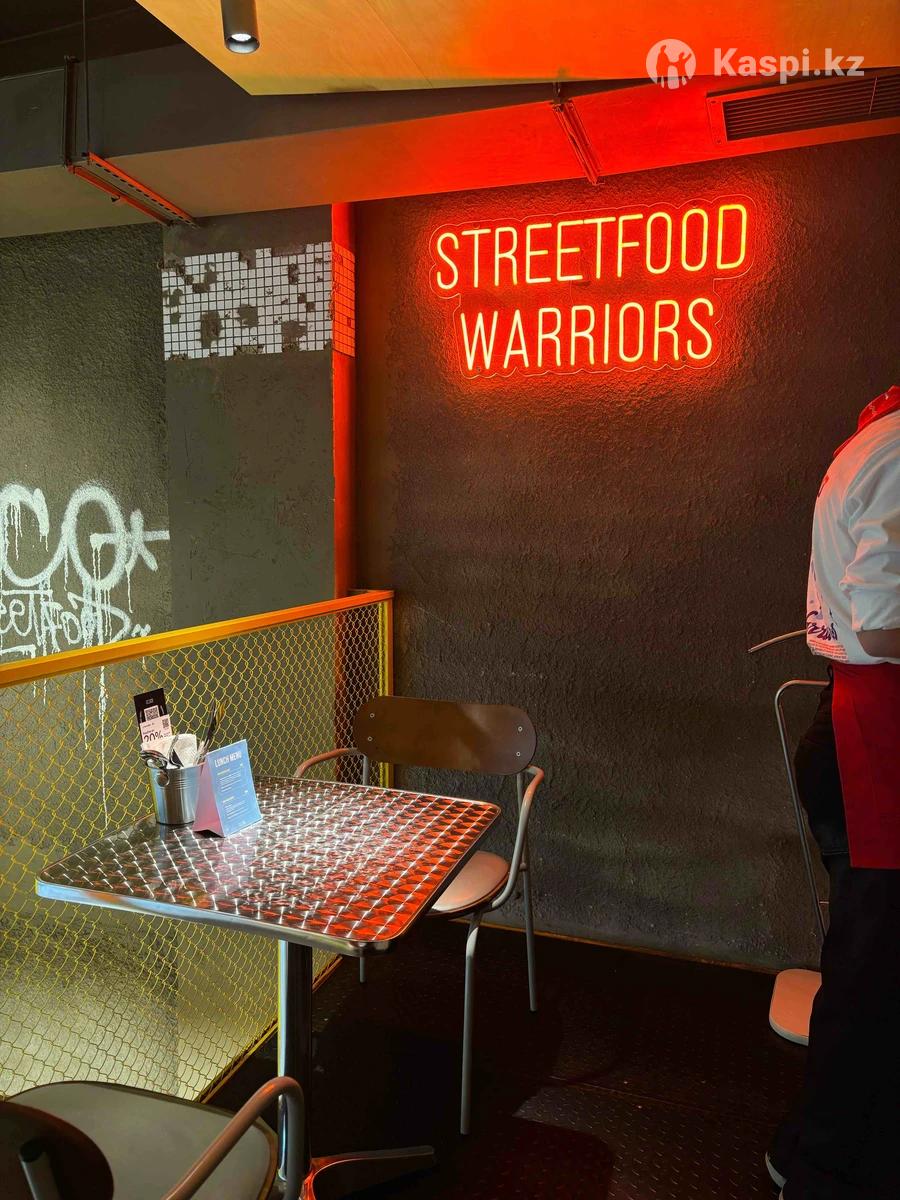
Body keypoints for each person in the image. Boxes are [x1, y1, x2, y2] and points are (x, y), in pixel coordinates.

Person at [769, 384, 900, 1199]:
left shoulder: (876, 439)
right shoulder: (896, 449)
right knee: (872, 966)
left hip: (861, 723)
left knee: (871, 959)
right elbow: (884, 622)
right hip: (872, 737)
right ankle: (821, 1164)